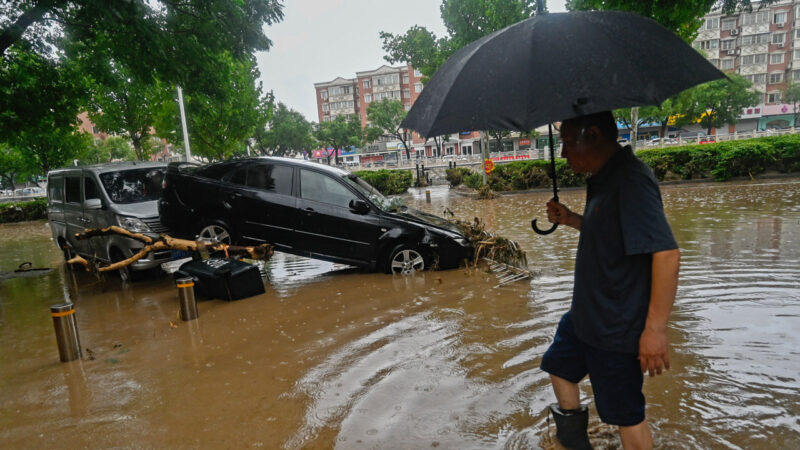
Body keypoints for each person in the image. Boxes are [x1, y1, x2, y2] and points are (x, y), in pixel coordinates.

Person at [540, 111, 681, 450]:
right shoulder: (604, 177)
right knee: (559, 367)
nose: (563, 154)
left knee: (625, 415)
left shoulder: (631, 180)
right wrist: (573, 219)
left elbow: (666, 254)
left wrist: (655, 330)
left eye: (568, 143)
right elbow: (613, 234)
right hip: (586, 316)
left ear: (593, 135)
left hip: (615, 326)